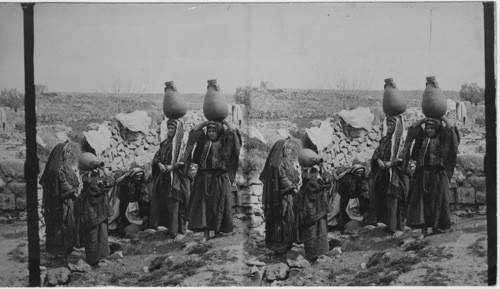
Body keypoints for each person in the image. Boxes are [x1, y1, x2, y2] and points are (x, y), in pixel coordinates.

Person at [184, 119, 241, 241]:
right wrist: (206, 122)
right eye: (209, 130)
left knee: (219, 205)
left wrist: (224, 121)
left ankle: (218, 230)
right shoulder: (204, 140)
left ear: (218, 131)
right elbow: (194, 130)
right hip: (204, 178)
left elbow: (233, 131)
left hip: (220, 178)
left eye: (213, 130)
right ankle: (206, 233)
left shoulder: (224, 140)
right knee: (204, 206)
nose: (210, 133)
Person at [405, 116, 460, 237]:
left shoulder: (442, 138)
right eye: (428, 128)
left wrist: (443, 117)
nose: (429, 130)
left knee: (438, 201)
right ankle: (424, 229)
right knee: (422, 202)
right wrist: (424, 120)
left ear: (437, 128)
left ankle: (436, 228)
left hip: (437, 175)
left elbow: (451, 129)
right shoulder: (423, 138)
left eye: (432, 128)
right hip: (423, 174)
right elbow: (413, 127)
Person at [368, 115, 411, 235]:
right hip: (384, 174)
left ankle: (396, 226)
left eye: (392, 125)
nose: (389, 127)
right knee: (383, 197)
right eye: (388, 125)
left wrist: (391, 163)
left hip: (397, 175)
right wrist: (379, 161)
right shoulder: (385, 139)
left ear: (397, 126)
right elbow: (376, 152)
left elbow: (403, 157)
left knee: (395, 199)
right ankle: (387, 224)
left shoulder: (402, 141)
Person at [149, 119, 189, 239]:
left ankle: (175, 231)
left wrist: (173, 166)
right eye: (169, 128)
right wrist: (160, 165)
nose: (170, 130)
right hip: (163, 177)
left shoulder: (182, 145)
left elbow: (185, 161)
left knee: (174, 203)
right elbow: (157, 157)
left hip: (176, 178)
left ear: (178, 131)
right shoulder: (165, 143)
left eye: (173, 128)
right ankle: (164, 226)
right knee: (162, 201)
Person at [40, 141, 81, 256]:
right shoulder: (57, 168)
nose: (68, 154)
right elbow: (63, 184)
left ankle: (63, 247)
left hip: (63, 200)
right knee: (64, 224)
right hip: (63, 201)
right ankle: (61, 249)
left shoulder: (61, 165)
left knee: (63, 224)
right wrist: (75, 194)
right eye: (66, 152)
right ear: (61, 152)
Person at [259, 138, 300, 256]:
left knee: (288, 220)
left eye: (291, 148)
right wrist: (294, 188)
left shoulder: (285, 160)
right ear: (282, 149)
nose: (290, 151)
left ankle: (287, 244)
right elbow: (282, 179)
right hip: (281, 197)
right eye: (288, 148)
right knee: (282, 219)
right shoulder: (276, 163)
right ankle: (279, 246)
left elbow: (292, 175)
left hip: (288, 195)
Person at [295, 163, 333, 262]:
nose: (316, 174)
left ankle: (313, 255)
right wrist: (324, 168)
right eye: (314, 172)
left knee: (311, 233)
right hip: (315, 212)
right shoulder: (313, 183)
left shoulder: (306, 183)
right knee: (317, 232)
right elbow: (328, 180)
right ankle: (317, 255)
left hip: (309, 214)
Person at [79, 167, 115, 266]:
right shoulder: (94, 188)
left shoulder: (86, 189)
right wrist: (105, 172)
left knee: (91, 237)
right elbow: (111, 182)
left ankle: (92, 258)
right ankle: (100, 258)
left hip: (90, 217)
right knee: (100, 236)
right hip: (98, 216)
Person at [108, 167, 150, 235]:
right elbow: (124, 200)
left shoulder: (139, 183)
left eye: (140, 177)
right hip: (126, 203)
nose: (138, 178)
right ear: (132, 176)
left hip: (133, 204)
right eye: (137, 177)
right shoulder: (126, 184)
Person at [337, 164, 371, 229]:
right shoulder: (347, 180)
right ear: (353, 173)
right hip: (347, 199)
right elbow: (344, 193)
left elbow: (364, 192)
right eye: (357, 173)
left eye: (361, 173)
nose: (359, 175)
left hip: (359, 200)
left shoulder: (363, 180)